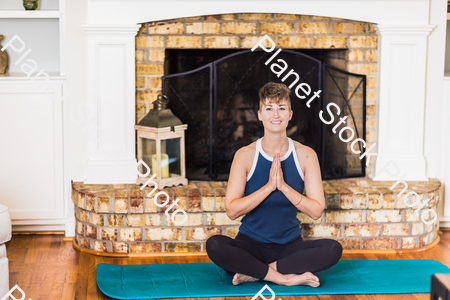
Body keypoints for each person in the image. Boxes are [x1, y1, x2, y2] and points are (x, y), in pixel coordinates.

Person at [205, 82, 343, 287]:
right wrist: (269, 187)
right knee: (214, 244)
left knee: (333, 249)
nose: (275, 114)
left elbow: (316, 211)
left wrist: (283, 187)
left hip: (289, 247)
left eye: (281, 108)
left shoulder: (306, 155)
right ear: (260, 114)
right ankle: (283, 278)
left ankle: (256, 271)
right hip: (249, 245)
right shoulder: (245, 155)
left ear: (290, 114)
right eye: (269, 108)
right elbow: (232, 211)